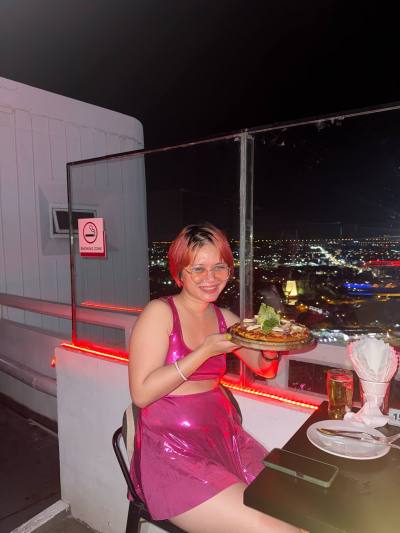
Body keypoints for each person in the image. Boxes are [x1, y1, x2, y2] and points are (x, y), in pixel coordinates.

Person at [128, 223, 307, 533]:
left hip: (225, 439)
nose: (210, 277)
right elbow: (141, 394)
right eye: (198, 269)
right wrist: (204, 351)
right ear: (179, 272)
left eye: (219, 267)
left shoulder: (225, 318)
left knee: (300, 513)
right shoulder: (160, 312)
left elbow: (264, 369)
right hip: (172, 451)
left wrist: (271, 345)